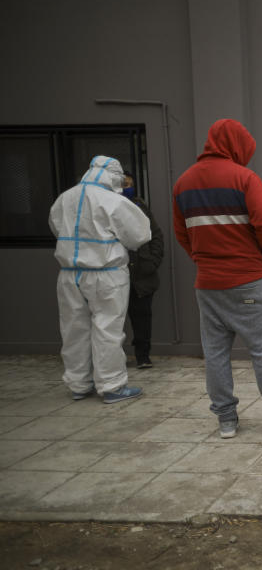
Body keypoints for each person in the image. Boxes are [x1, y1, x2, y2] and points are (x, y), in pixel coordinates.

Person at [173, 118, 262, 440]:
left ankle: (226, 420)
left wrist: (201, 259)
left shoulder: (183, 183)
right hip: (247, 280)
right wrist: (261, 256)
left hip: (207, 285)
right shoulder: (244, 178)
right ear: (236, 145)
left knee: (216, 353)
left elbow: (182, 233)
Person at [48, 155, 150, 404]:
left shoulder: (65, 198)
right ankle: (111, 385)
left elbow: (55, 227)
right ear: (113, 176)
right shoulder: (113, 201)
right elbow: (140, 234)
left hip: (69, 274)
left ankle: (79, 384)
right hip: (106, 273)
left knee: (73, 329)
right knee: (107, 329)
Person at [121, 173, 164, 369]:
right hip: (116, 272)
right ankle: (114, 359)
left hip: (142, 273)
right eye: (123, 184)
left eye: (130, 184)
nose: (127, 187)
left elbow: (155, 235)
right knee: (112, 320)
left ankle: (143, 356)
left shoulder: (140, 206)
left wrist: (152, 261)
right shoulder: (108, 207)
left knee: (142, 317)